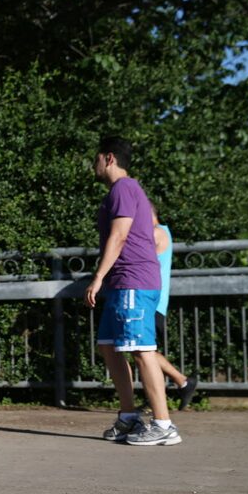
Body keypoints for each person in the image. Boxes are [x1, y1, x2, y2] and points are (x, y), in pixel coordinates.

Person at [84, 136, 181, 446]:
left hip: (133, 282)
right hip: (122, 284)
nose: (94, 164)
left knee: (142, 350)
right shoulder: (120, 191)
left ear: (109, 158)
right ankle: (128, 417)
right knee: (109, 347)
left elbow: (120, 235)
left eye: (97, 158)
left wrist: (98, 277)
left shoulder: (124, 188)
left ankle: (164, 425)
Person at [151, 204, 198, 410]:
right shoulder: (163, 231)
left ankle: (181, 382)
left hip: (152, 301)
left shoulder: (157, 233)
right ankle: (176, 385)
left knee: (142, 351)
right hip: (154, 301)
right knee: (143, 351)